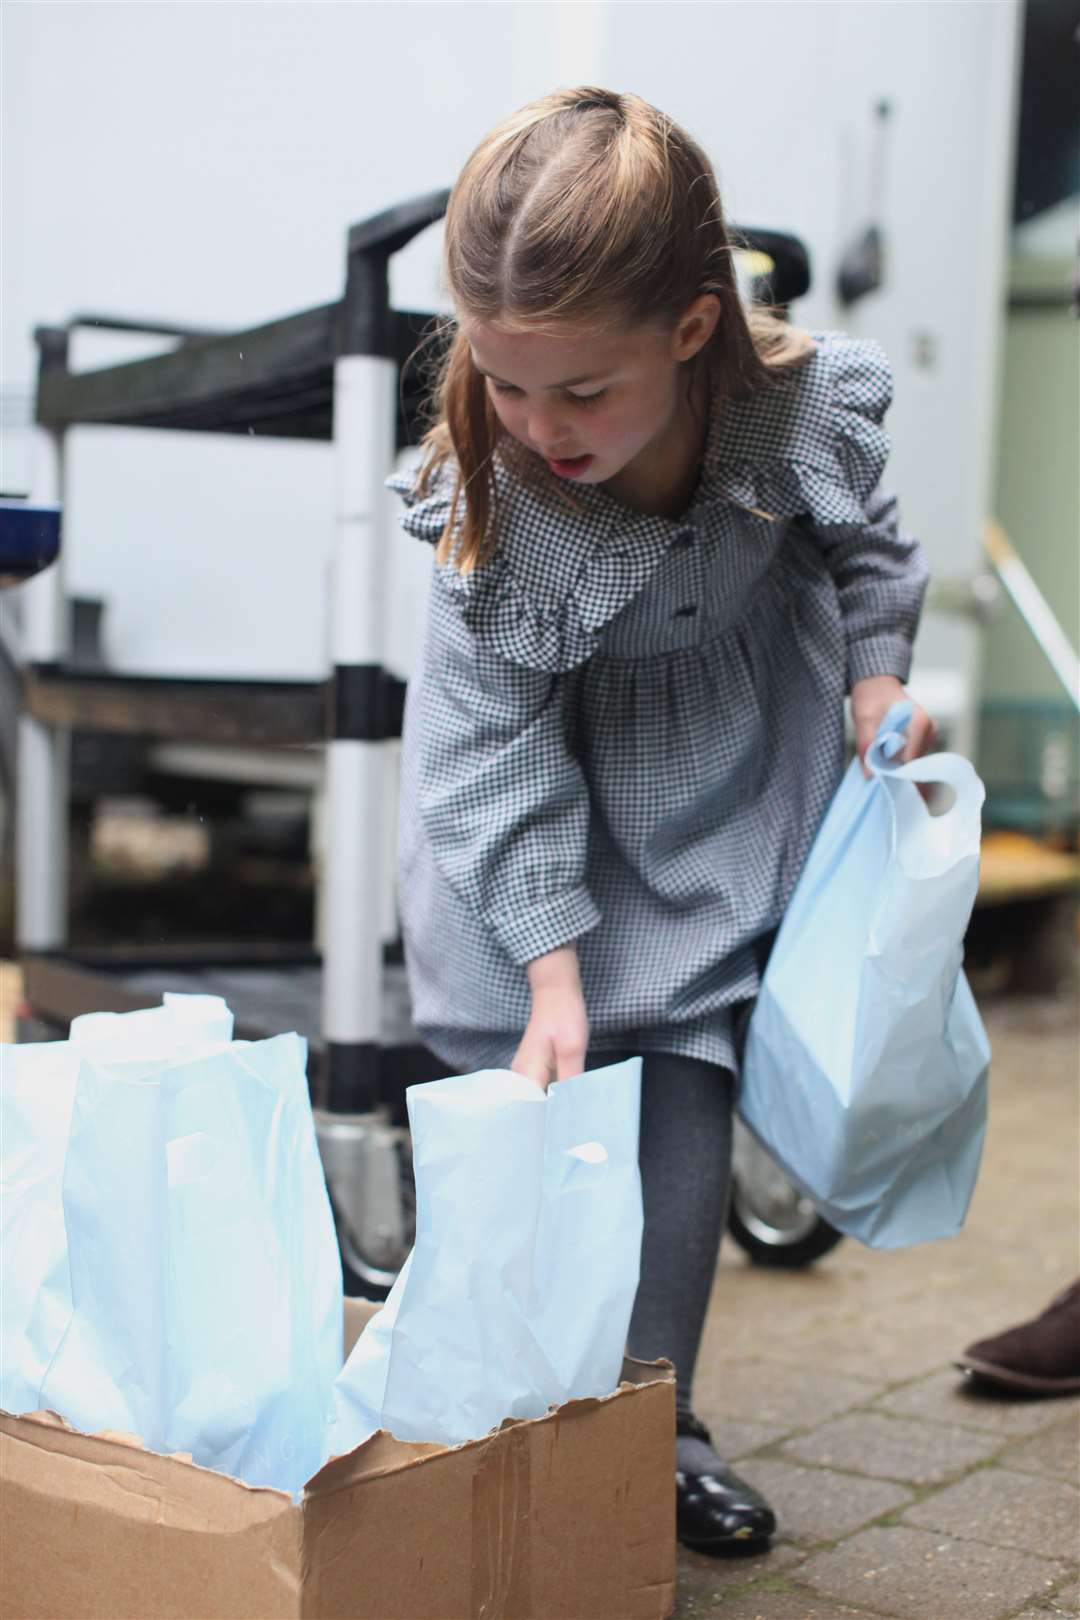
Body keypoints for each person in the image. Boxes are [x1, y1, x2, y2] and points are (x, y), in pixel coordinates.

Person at [389, 86, 936, 1555]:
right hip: (522, 838)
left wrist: (879, 674)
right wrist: (553, 971)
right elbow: (490, 754)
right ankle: (474, 1428)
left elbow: (871, 536)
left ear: (693, 330)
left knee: (676, 1107)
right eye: (508, 385)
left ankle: (655, 1421)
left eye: (581, 392)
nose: (540, 425)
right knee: (519, 1120)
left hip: (708, 814)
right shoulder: (496, 503)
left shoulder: (789, 411)